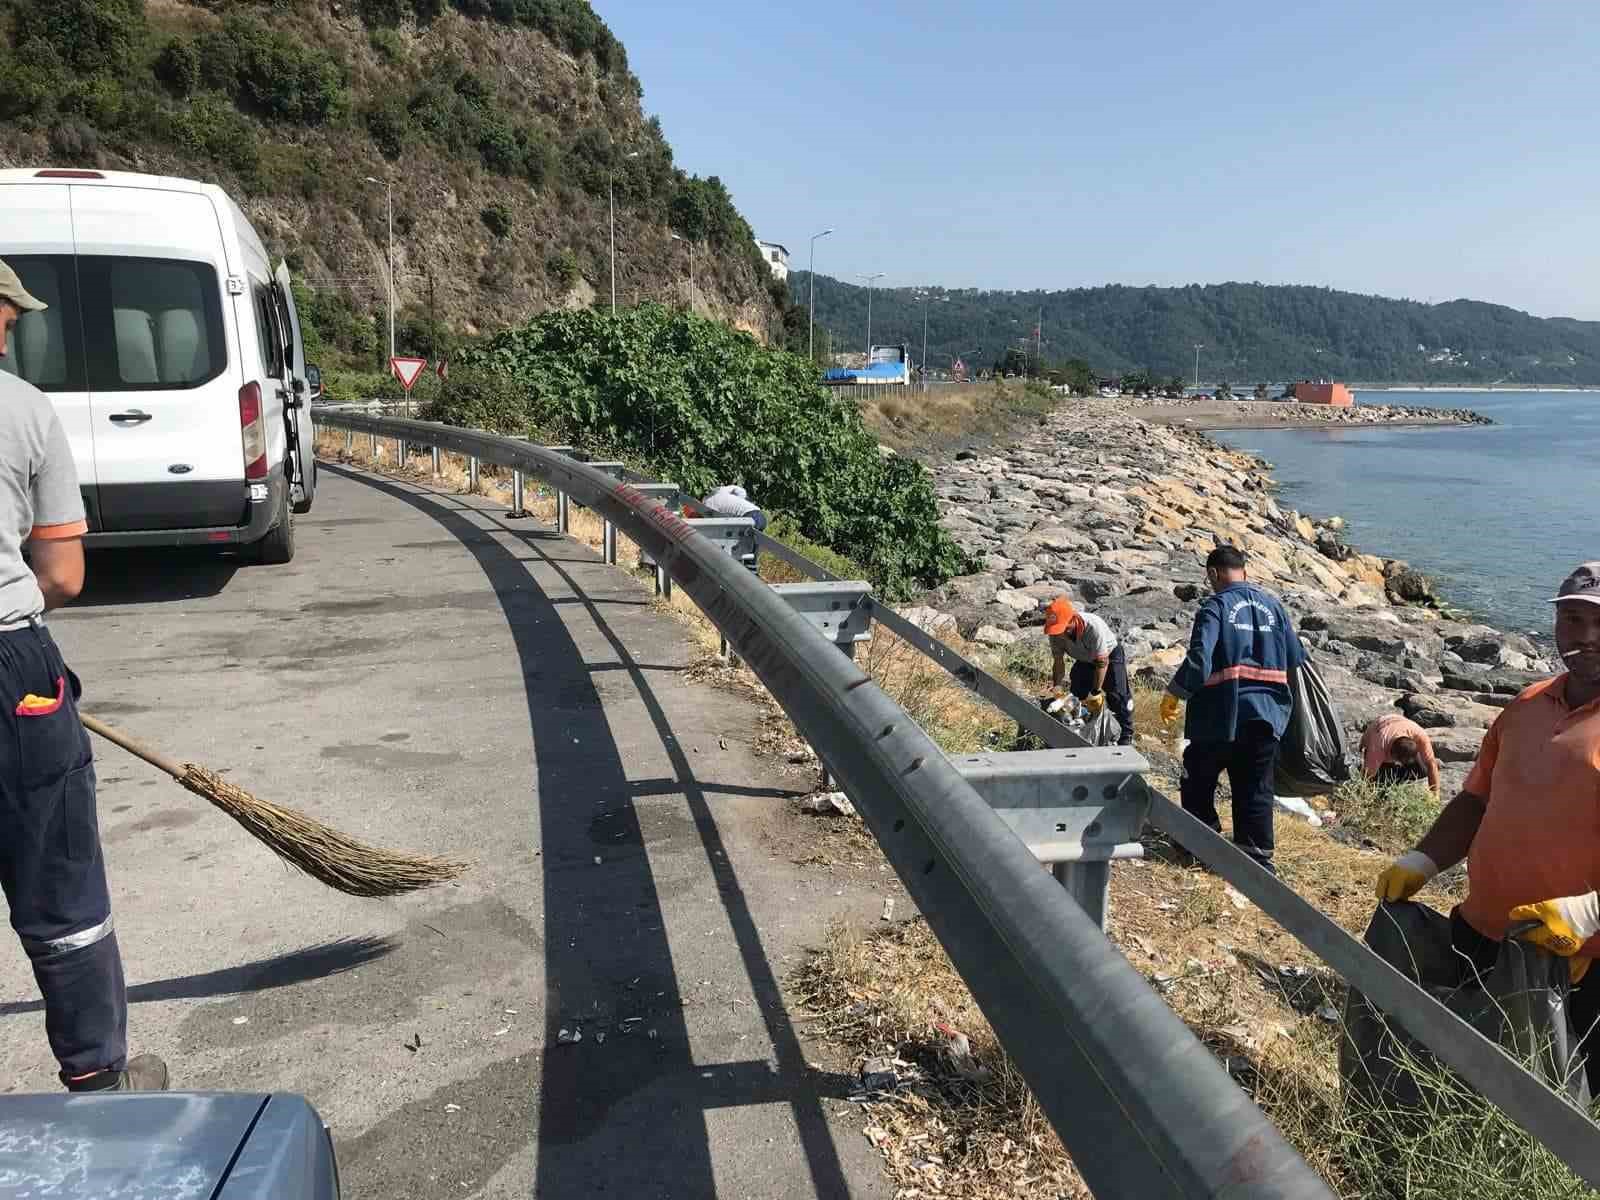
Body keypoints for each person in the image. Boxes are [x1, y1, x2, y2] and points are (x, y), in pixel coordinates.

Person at [0, 259, 166, 1092]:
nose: (9, 341)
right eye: (5, 323)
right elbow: (63, 574)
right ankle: (100, 1080)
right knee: (57, 879)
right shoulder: (23, 409)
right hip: (11, 666)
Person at [1375, 562, 1600, 1086]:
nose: (1585, 637)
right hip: (1478, 934)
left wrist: (1589, 915)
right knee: (1459, 1074)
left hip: (1575, 960)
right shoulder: (1526, 706)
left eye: (1599, 623)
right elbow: (1476, 800)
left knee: (1558, 1103)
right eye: (1572, 619)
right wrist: (1423, 859)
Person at [1160, 544, 1306, 871]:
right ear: (1245, 571)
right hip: (1267, 715)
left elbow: (1200, 659)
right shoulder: (1274, 607)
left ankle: (1200, 843)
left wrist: (1175, 692)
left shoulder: (1215, 607)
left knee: (1197, 776)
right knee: (1255, 787)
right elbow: (1295, 658)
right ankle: (1255, 861)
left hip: (1222, 714)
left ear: (1213, 573)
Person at [1040, 596, 1134, 746]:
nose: (1060, 634)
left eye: (1063, 628)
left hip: (1109, 656)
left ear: (1073, 619)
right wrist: (1057, 686)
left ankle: (1125, 737)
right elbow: (1058, 662)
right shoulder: (1055, 634)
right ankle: (1083, 732)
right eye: (1057, 630)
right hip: (1084, 659)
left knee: (1117, 696)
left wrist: (1095, 692)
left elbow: (1102, 663)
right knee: (1077, 694)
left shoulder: (1092, 627)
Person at [1359, 713, 1440, 794]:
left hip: (1399, 723)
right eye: (1400, 761)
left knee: (1423, 770)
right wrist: (1369, 794)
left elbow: (1431, 764)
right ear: (1393, 755)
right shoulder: (1378, 746)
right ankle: (1391, 775)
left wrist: (1435, 794)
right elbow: (1367, 777)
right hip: (1377, 731)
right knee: (1382, 782)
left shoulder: (1420, 735)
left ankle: (1397, 776)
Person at [696, 484, 766, 531]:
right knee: (752, 546)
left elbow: (709, 524)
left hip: (750, 517)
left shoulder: (707, 504)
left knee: (743, 545)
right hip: (760, 516)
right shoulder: (722, 492)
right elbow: (742, 492)